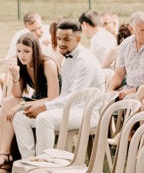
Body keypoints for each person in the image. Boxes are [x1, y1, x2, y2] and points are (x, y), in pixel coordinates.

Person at [12, 19, 108, 159]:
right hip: (68, 108)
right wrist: (39, 105)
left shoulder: (84, 61)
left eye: (66, 39)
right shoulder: (67, 59)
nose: (61, 43)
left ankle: (43, 164)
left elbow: (74, 98)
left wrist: (44, 107)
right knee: (20, 118)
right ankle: (30, 162)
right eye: (59, 38)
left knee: (44, 119)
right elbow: (64, 96)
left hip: (86, 112)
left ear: (77, 39)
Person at [0, 31, 59, 173]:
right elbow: (17, 94)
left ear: (35, 50)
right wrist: (16, 77)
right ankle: (4, 153)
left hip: (53, 103)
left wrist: (21, 105)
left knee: (14, 106)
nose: (22, 55)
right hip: (37, 99)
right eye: (19, 51)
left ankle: (10, 158)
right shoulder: (22, 64)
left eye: (26, 51)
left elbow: (54, 97)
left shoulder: (48, 64)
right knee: (8, 102)